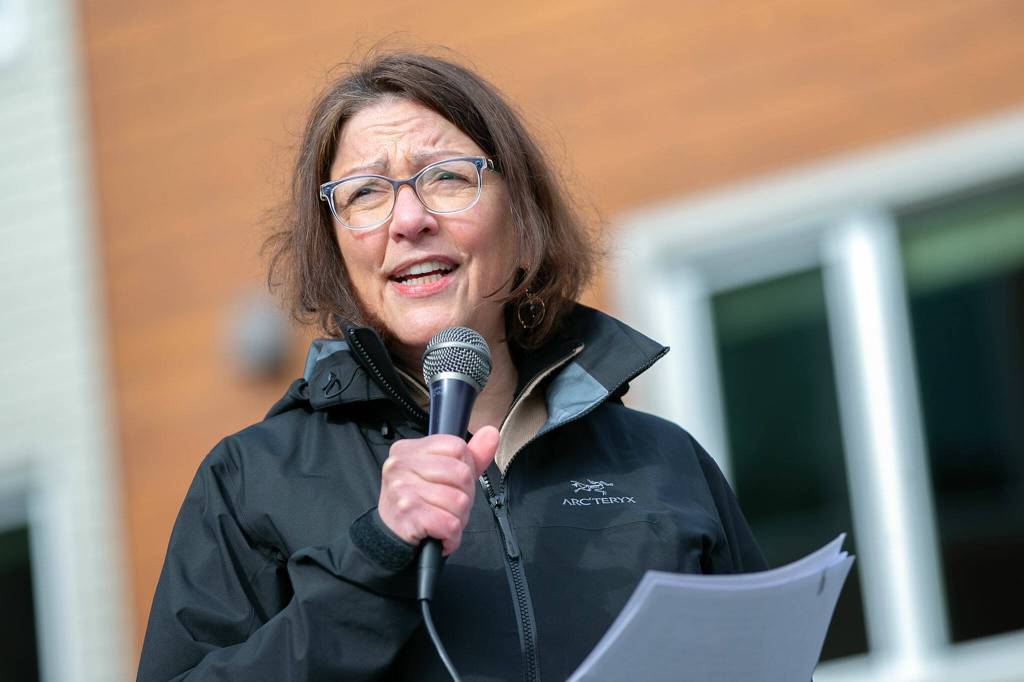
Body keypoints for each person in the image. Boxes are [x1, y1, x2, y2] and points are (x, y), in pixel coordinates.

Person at [137, 51, 766, 681]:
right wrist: (374, 555)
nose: (409, 220)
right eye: (364, 194)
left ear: (523, 215)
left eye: (446, 177)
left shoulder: (664, 462)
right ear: (333, 248)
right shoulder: (251, 481)